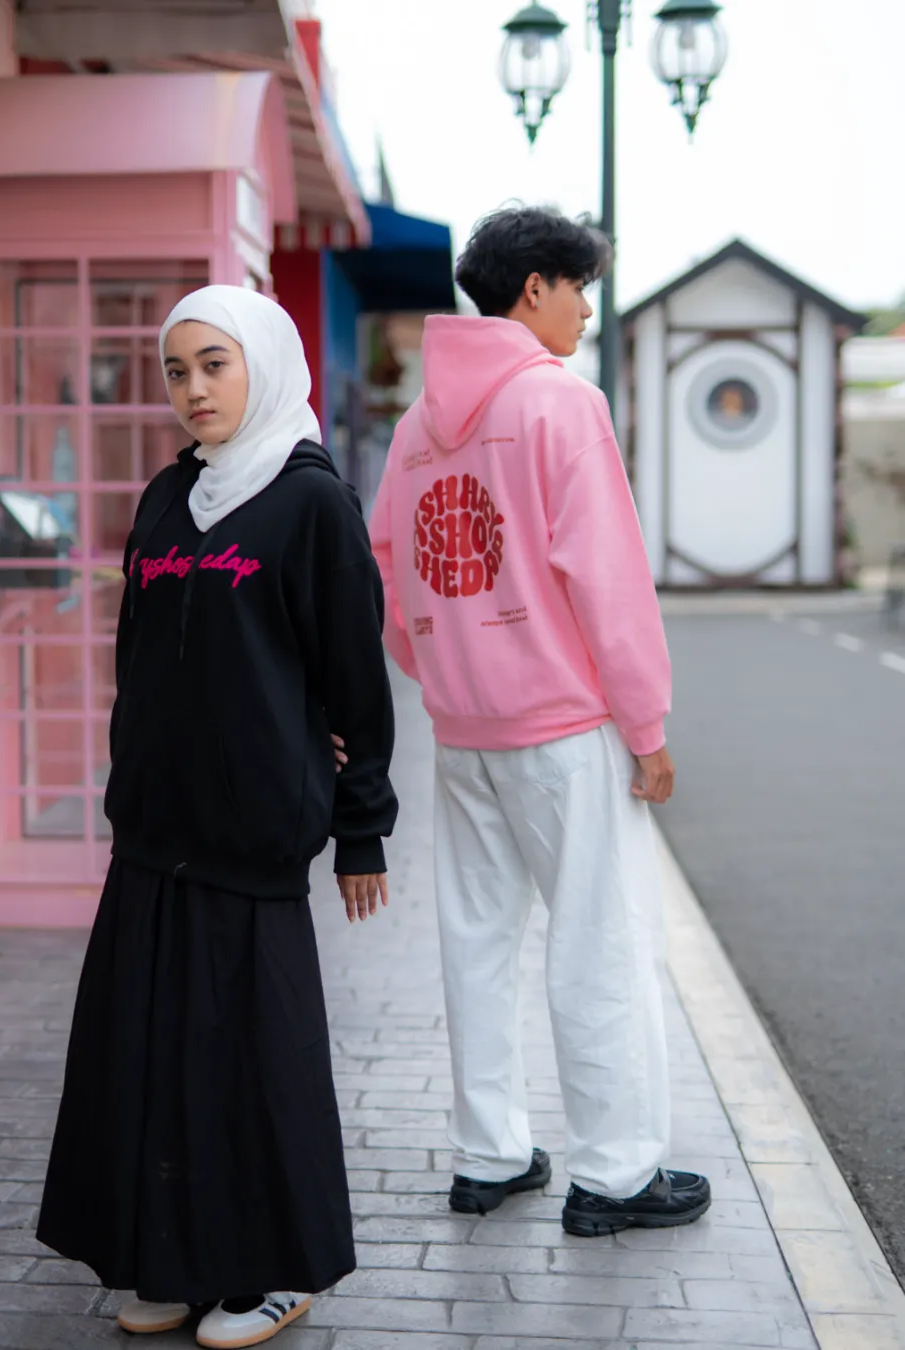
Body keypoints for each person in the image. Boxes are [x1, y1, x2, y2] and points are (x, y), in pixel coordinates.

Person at [38, 286, 398, 1346]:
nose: (193, 388)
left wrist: (361, 827)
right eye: (177, 369)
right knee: (148, 1054)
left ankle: (277, 1271)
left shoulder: (312, 503)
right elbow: (136, 658)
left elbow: (355, 680)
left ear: (264, 365)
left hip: (254, 836)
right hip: (155, 831)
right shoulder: (168, 496)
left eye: (214, 364)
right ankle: (171, 1260)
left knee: (253, 1062)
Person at [369, 206, 711, 1237]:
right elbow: (608, 579)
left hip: (463, 732)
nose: (585, 310)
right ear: (534, 289)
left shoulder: (417, 429)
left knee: (476, 942)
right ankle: (615, 1174)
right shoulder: (562, 404)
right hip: (562, 731)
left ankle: (490, 1156)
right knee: (600, 943)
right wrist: (646, 727)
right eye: (578, 288)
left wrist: (447, 671)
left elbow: (386, 572)